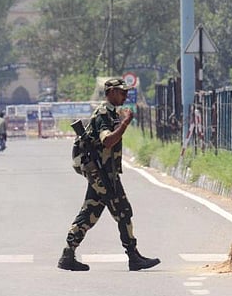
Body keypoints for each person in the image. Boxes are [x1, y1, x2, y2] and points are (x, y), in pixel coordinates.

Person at [58, 77, 160, 272]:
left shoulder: (110, 113)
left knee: (89, 214)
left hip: (104, 172)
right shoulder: (104, 114)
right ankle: (133, 256)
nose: (125, 96)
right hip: (102, 173)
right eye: (122, 92)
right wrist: (125, 124)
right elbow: (107, 141)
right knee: (123, 212)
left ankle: (68, 254)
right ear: (111, 92)